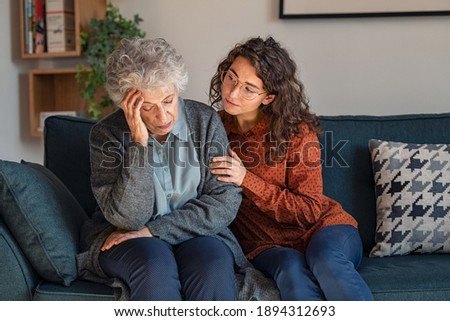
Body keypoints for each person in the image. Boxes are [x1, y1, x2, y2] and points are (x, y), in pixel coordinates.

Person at [76, 37, 278, 301]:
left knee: (213, 266)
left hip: (198, 232)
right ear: (126, 104)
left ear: (177, 89)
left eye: (168, 100)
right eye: (147, 108)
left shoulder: (203, 121)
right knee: (155, 265)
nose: (163, 117)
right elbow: (129, 220)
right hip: (125, 238)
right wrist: (139, 143)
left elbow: (224, 202)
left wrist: (156, 230)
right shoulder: (107, 135)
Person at [209, 36, 374, 301]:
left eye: (249, 88)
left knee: (327, 261)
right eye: (231, 77)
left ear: (268, 97)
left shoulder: (297, 134)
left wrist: (246, 179)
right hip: (265, 244)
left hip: (325, 230)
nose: (231, 92)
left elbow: (309, 210)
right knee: (291, 271)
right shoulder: (214, 129)